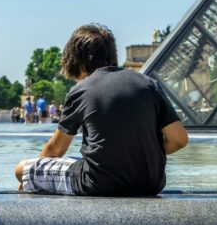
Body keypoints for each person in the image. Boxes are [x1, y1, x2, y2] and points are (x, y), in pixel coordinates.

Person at [15, 24, 188, 196]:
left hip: (98, 183)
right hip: (150, 184)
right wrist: (141, 155)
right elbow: (179, 140)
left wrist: (32, 179)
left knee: (22, 169)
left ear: (77, 61)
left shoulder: (82, 89)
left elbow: (55, 150)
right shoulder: (149, 84)